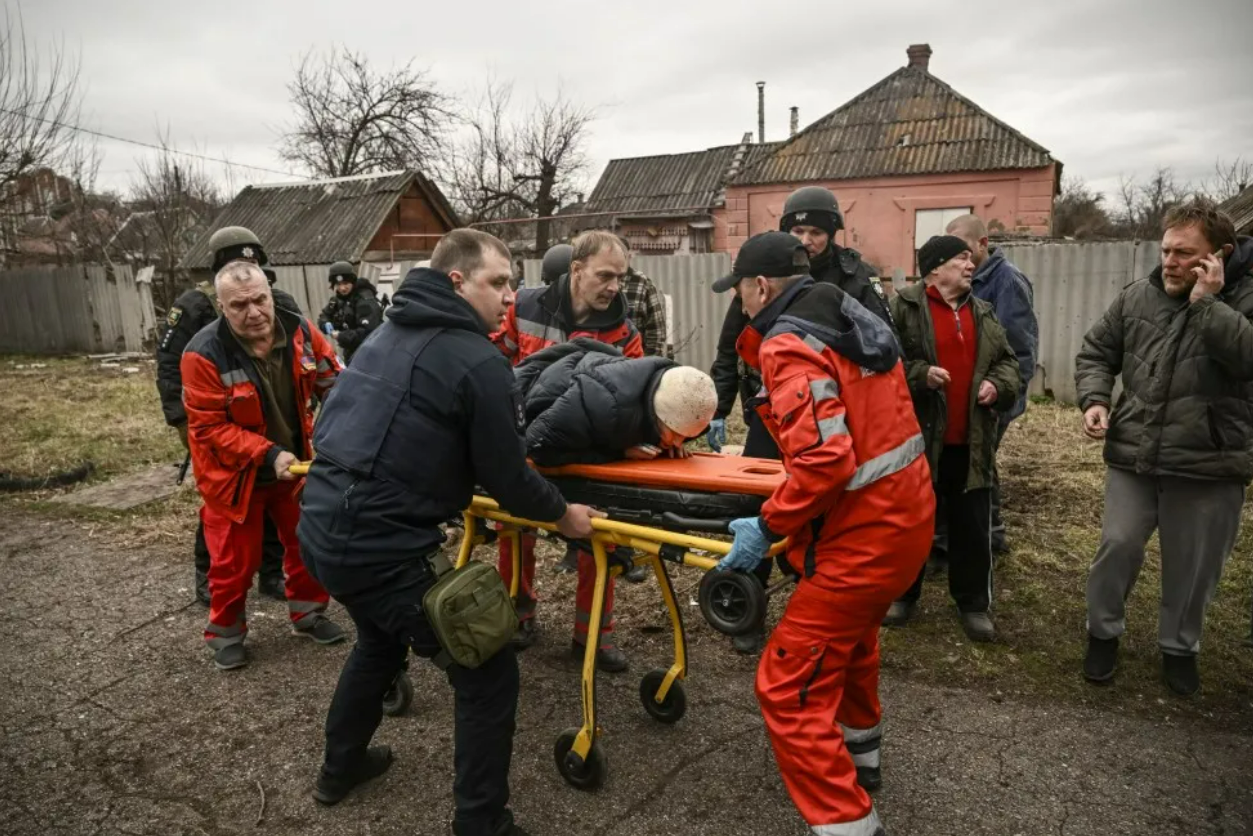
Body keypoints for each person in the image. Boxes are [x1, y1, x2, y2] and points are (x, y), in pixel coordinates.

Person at [297, 229, 600, 834]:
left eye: (513, 283)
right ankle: (481, 822)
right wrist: (567, 517)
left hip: (322, 526)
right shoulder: (477, 359)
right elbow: (510, 479)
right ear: (457, 281)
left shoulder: (385, 334)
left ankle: (340, 769)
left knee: (380, 643)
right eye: (497, 282)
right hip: (382, 546)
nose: (509, 296)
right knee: (487, 672)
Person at [711, 231, 934, 836]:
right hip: (904, 518)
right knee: (853, 643)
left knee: (785, 686)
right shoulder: (844, 318)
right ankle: (862, 759)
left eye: (740, 292)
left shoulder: (790, 344)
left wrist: (767, 524)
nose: (741, 303)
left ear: (761, 286)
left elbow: (825, 461)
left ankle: (847, 822)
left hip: (866, 535)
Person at [1075, 198, 1253, 697]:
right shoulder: (1137, 297)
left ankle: (1179, 646)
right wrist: (1094, 398)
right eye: (1166, 250)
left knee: (1193, 564)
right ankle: (1102, 633)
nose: (1169, 263)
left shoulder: (1244, 298)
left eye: (1183, 254)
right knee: (1118, 546)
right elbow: (1096, 351)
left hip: (1209, 461)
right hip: (1136, 451)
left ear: (1219, 255)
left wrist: (1208, 303)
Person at [180, 262, 344, 670]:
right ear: (221, 306)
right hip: (233, 477)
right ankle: (225, 634)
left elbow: (336, 382)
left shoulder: (301, 332)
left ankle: (308, 614)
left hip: (296, 467)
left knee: (307, 545)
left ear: (270, 293)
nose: (254, 312)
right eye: (239, 305)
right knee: (234, 563)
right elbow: (210, 428)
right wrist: (269, 454)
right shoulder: (201, 354)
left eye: (260, 300)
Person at [491, 230, 642, 672]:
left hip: (587, 456)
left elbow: (631, 399)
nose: (615, 286)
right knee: (514, 535)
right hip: (524, 446)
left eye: (621, 276)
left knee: (598, 539)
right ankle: (518, 617)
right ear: (576, 270)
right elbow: (493, 361)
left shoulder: (624, 333)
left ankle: (593, 635)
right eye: (605, 275)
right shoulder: (522, 307)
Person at [881, 235, 1020, 642]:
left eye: (969, 257)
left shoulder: (984, 311)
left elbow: (1008, 362)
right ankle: (903, 595)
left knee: (972, 528)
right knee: (911, 525)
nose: (970, 262)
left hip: (971, 441)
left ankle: (973, 604)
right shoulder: (903, 308)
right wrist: (920, 375)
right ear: (935, 268)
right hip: (919, 442)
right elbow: (885, 363)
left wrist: (998, 384)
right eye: (960, 257)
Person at [155, 226, 295, 605]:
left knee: (272, 495)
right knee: (223, 501)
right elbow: (169, 365)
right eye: (237, 259)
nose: (245, 267)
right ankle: (208, 574)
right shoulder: (194, 305)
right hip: (212, 418)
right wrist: (181, 421)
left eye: (251, 261)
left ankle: (271, 571)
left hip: (270, 416)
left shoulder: (276, 299)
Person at [945, 214, 1039, 555]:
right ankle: (960, 537)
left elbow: (1020, 348)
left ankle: (991, 539)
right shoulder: (965, 278)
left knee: (979, 462)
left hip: (993, 397)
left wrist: (1004, 395)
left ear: (982, 244)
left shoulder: (1007, 282)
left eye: (965, 250)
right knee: (968, 460)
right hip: (967, 395)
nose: (959, 259)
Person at [516, 339, 716, 465]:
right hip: (519, 412)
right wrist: (619, 453)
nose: (677, 442)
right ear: (658, 413)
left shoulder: (678, 390)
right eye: (674, 433)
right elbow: (536, 447)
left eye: (684, 436)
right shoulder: (599, 402)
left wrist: (668, 442)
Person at [317, 261, 384, 363]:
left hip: (370, 354)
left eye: (345, 283)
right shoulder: (338, 299)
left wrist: (340, 336)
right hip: (351, 353)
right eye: (338, 284)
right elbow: (324, 315)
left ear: (353, 282)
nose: (342, 288)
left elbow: (369, 333)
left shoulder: (364, 300)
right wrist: (325, 323)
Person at [616, 236, 671, 358]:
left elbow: (656, 331)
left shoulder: (642, 282)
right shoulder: (599, 283)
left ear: (630, 255)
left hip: (636, 361)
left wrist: (646, 363)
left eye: (624, 255)